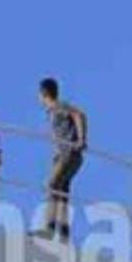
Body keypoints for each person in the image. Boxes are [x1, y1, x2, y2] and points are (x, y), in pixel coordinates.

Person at [39, 76, 87, 241]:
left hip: (68, 153)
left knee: (52, 184)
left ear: (43, 94)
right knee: (62, 191)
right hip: (62, 155)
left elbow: (79, 115)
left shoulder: (59, 107)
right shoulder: (52, 111)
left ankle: (49, 227)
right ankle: (64, 231)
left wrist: (81, 139)